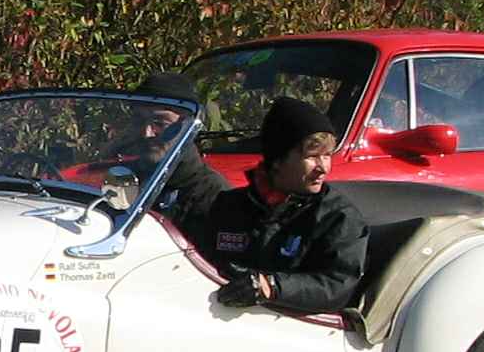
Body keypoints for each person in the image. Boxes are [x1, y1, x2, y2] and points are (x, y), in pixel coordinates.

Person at [186, 94, 368, 313]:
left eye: (327, 155)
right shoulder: (228, 206)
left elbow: (338, 284)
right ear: (278, 160)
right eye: (312, 156)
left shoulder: (338, 217)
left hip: (294, 328)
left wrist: (273, 287)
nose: (323, 168)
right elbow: (191, 261)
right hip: (217, 317)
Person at [120, 71, 227, 224]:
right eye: (139, 121)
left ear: (187, 126)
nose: (146, 133)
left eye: (160, 123)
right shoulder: (124, 181)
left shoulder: (215, 197)